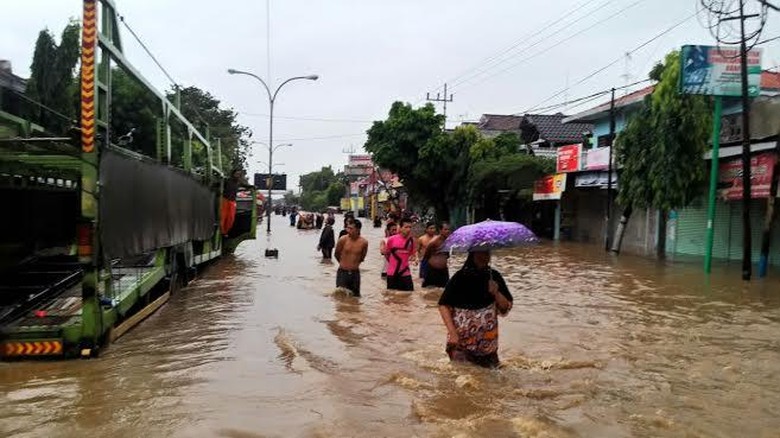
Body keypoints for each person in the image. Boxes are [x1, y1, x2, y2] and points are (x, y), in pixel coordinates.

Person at [437, 250, 513, 368]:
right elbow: (443, 305)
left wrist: (496, 292)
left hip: (487, 341)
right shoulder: (460, 277)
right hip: (461, 339)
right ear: (473, 254)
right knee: (462, 375)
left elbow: (505, 307)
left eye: (488, 252)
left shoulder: (494, 276)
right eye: (482, 252)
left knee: (490, 377)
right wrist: (452, 334)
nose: (486, 256)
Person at [334, 219, 368, 297]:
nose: (348, 230)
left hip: (355, 273)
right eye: (347, 228)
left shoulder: (364, 242)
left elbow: (362, 257)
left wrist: (354, 265)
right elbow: (336, 254)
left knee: (355, 297)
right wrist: (343, 264)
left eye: (351, 228)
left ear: (358, 229)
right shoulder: (343, 239)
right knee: (341, 296)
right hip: (343, 272)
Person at [385, 218, 416, 291]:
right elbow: (387, 254)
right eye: (406, 227)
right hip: (392, 273)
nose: (408, 229)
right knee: (391, 297)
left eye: (410, 227)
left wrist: (415, 258)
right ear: (400, 228)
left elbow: (412, 254)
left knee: (409, 296)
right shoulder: (391, 239)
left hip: (405, 273)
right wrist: (393, 264)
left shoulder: (411, 241)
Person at [422, 222, 452, 288]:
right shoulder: (434, 242)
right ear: (440, 230)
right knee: (429, 291)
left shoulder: (448, 241)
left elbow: (448, 255)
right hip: (432, 271)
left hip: (444, 271)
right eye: (445, 229)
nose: (448, 231)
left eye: (449, 229)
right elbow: (426, 255)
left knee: (444, 290)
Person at [220, 168, 243, 236]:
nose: (238, 175)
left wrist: (252, 187)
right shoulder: (227, 180)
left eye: (239, 174)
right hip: (225, 200)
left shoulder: (238, 182)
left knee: (231, 219)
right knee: (223, 217)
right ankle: (222, 231)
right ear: (233, 174)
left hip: (232, 201)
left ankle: (225, 231)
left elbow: (245, 185)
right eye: (236, 174)